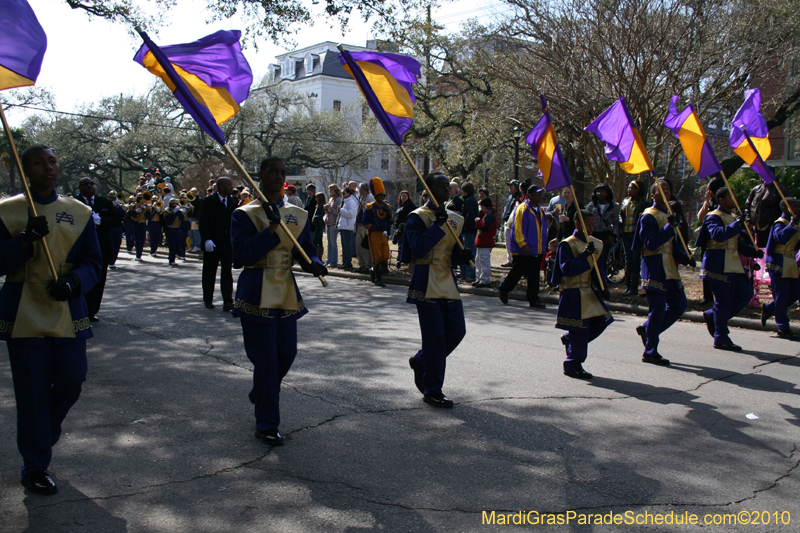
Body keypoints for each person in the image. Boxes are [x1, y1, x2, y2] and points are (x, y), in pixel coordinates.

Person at [0, 144, 102, 495]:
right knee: (32, 392)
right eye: (38, 162)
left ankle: (42, 433)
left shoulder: (80, 212)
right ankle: (36, 464)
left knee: (72, 380)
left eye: (52, 161)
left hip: (66, 311)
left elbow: (93, 263)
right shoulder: (6, 211)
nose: (48, 167)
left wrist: (75, 282)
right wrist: (24, 240)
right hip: (23, 312)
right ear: (24, 169)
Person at [231, 156, 327, 446]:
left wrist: (314, 262)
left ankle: (262, 390)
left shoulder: (297, 213)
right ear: (260, 175)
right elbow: (241, 256)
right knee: (267, 360)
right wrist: (270, 230)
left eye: (282, 172)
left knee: (286, 354)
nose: (278, 176)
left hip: (285, 290)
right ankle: (267, 423)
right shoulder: (243, 214)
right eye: (272, 171)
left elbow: (305, 250)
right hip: (256, 288)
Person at [399, 172, 472, 407]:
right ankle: (433, 389)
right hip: (426, 281)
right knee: (435, 339)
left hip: (447, 281)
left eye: (447, 186)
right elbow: (419, 249)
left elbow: (451, 252)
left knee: (456, 330)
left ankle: (421, 360)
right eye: (440, 186)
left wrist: (462, 255)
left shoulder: (455, 218)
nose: (446, 190)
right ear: (429, 190)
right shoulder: (416, 217)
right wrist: (438, 224)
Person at [632, 181, 695, 366]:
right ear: (653, 195)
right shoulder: (648, 217)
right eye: (662, 190)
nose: (666, 192)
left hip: (670, 269)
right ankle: (650, 351)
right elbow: (650, 243)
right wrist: (669, 228)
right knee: (657, 311)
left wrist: (685, 258)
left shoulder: (669, 215)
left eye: (668, 189)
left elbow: (673, 246)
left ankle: (647, 329)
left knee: (679, 304)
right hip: (654, 267)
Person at [696, 187, 764, 351]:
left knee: (746, 294)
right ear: (721, 200)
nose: (734, 198)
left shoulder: (732, 218)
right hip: (718, 264)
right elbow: (718, 235)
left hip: (734, 264)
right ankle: (721, 337)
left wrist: (753, 251)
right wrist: (737, 225)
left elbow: (737, 243)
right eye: (730, 196)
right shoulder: (713, 217)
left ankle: (713, 315)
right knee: (723, 301)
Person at [551, 210, 613, 379]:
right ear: (577, 223)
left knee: (603, 320)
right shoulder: (567, 244)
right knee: (580, 328)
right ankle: (573, 364)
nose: (591, 228)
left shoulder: (596, 244)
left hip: (588, 291)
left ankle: (570, 340)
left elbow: (598, 269)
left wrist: (603, 286)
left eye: (593, 224)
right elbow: (567, 269)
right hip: (572, 291)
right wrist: (584, 256)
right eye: (588, 224)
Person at [76, 177, 121, 322]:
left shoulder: (104, 203)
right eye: (85, 184)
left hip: (101, 247)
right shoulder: (74, 203)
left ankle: (93, 310)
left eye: (91, 184)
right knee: (82, 279)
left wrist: (101, 221)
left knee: (99, 280)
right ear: (80, 187)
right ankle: (82, 309)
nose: (89, 187)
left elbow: (116, 220)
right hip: (81, 249)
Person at [498, 185, 548, 309]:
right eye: (537, 194)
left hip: (537, 249)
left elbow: (543, 231)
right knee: (517, 272)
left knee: (534, 275)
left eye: (540, 194)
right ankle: (504, 289)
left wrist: (543, 246)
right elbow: (518, 229)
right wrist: (523, 244)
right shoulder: (522, 209)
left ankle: (533, 298)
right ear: (529, 195)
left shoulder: (540, 211)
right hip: (523, 249)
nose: (539, 196)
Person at [761, 197, 800, 340]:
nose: (798, 209)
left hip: (790, 262)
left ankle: (770, 308)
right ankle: (783, 327)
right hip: (778, 262)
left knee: (796, 291)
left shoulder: (795, 224)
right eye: (795, 206)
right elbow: (780, 238)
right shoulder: (780, 223)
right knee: (782, 296)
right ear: (785, 208)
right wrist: (792, 225)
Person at [199, 176, 237, 311]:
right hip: (212, 243)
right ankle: (208, 299)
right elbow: (203, 222)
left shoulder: (234, 201)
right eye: (229, 184)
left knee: (227, 273)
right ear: (222, 187)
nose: (231, 187)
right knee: (209, 272)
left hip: (227, 244)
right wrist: (207, 239)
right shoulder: (208, 201)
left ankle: (228, 300)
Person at [697, 177, 725, 304]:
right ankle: (707, 296)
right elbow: (700, 217)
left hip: (720, 240)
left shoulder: (724, 202)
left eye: (709, 189)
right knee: (706, 268)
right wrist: (707, 202)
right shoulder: (709, 203)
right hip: (707, 240)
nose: (707, 191)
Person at [362, 177, 394, 287]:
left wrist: (388, 213)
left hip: (383, 234)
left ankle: (372, 270)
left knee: (385, 255)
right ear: (376, 196)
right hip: (374, 234)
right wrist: (372, 227)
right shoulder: (370, 207)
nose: (381, 197)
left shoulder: (387, 206)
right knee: (377, 257)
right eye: (380, 195)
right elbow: (364, 222)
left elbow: (391, 221)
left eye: (383, 195)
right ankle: (378, 279)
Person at [587, 183, 619, 287]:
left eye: (602, 191)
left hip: (606, 235)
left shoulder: (613, 206)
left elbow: (616, 223)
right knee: (592, 258)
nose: (600, 194)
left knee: (603, 258)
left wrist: (614, 236)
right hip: (593, 234)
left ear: (607, 193)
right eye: (598, 191)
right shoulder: (591, 206)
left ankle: (602, 281)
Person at [619, 180, 648, 296]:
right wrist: (620, 227)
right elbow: (621, 216)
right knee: (628, 259)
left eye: (632, 188)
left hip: (636, 235)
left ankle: (634, 288)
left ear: (639, 190)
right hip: (626, 234)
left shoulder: (644, 203)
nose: (629, 190)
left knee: (635, 259)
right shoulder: (625, 202)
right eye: (629, 188)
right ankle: (627, 286)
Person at [745, 181, 791, 246]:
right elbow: (748, 204)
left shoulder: (781, 191)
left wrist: (777, 224)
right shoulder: (756, 189)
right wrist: (748, 219)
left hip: (771, 229)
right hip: (755, 229)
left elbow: (787, 209)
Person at [474, 197, 497, 287]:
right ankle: (479, 278)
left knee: (484, 261)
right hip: (482, 242)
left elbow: (485, 227)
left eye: (482, 207)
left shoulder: (490, 216)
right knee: (478, 261)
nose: (481, 209)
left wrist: (478, 221)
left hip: (486, 242)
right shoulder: (487, 214)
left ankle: (485, 280)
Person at [458, 182, 479, 282]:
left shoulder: (469, 200)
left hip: (469, 230)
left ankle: (470, 273)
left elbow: (470, 215)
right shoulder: (471, 199)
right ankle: (466, 272)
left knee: (469, 251)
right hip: (469, 229)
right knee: (466, 251)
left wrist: (464, 224)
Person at [354, 182, 375, 273]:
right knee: (359, 246)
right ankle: (361, 264)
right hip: (359, 224)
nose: (359, 190)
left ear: (364, 189)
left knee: (366, 247)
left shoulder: (370, 197)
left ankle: (368, 265)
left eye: (360, 188)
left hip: (365, 225)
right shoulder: (361, 197)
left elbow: (370, 210)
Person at [393, 190, 417, 266]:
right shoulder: (400, 205)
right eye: (402, 196)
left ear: (408, 197)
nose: (403, 197)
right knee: (399, 244)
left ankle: (402, 260)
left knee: (403, 245)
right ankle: (399, 259)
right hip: (399, 229)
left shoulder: (410, 205)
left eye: (405, 196)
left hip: (405, 229)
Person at [502, 180, 522, 266]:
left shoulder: (519, 197)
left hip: (513, 224)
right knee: (507, 242)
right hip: (507, 222)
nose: (510, 187)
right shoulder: (510, 196)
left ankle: (513, 260)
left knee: (512, 242)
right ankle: (509, 259)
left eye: (512, 186)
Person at [337, 186, 358, 270]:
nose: (342, 194)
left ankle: (348, 263)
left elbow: (350, 214)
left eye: (344, 193)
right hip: (343, 226)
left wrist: (341, 210)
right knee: (344, 245)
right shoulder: (345, 202)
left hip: (348, 227)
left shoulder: (351, 202)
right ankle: (344, 262)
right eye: (342, 193)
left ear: (349, 193)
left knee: (347, 246)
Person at [324, 184, 342, 268]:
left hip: (334, 223)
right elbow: (329, 211)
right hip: (328, 222)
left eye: (331, 190)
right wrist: (326, 209)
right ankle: (329, 259)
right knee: (329, 243)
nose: (330, 191)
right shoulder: (331, 199)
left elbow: (337, 212)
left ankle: (334, 261)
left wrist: (330, 208)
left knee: (333, 243)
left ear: (335, 190)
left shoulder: (338, 199)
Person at [164, 198, 185, 266]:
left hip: (177, 229)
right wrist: (173, 212)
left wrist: (178, 211)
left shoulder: (178, 210)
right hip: (170, 229)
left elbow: (182, 218)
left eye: (176, 203)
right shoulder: (167, 210)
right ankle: (172, 260)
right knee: (172, 245)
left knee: (178, 244)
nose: (175, 205)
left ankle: (172, 255)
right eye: (173, 203)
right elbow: (167, 219)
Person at [107, 191, 125, 268]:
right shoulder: (106, 205)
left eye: (114, 198)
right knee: (110, 245)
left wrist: (118, 207)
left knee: (117, 244)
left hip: (117, 227)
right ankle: (109, 260)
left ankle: (113, 261)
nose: (113, 199)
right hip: (109, 227)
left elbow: (123, 215)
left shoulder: (118, 205)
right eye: (112, 198)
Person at [312, 191, 326, 259]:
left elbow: (323, 214)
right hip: (318, 224)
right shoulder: (318, 205)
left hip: (320, 224)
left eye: (316, 197)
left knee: (316, 240)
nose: (315, 198)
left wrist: (315, 217)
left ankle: (316, 255)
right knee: (319, 241)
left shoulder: (321, 206)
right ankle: (318, 255)